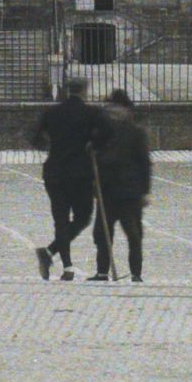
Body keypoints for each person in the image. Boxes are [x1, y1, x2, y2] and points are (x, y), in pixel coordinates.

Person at [29, 76, 109, 281]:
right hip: (80, 173)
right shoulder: (92, 113)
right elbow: (105, 137)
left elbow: (35, 138)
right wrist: (92, 145)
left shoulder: (52, 112)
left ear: (67, 90)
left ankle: (66, 266)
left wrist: (51, 144)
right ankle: (50, 253)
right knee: (83, 217)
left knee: (60, 219)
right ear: (85, 90)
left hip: (54, 171)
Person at [87, 89, 151, 283]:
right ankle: (102, 272)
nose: (111, 113)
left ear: (125, 111)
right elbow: (92, 156)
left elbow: (144, 163)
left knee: (133, 234)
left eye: (115, 109)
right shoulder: (101, 132)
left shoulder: (136, 132)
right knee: (102, 233)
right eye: (109, 109)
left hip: (129, 192)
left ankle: (136, 273)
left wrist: (145, 191)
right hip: (106, 190)